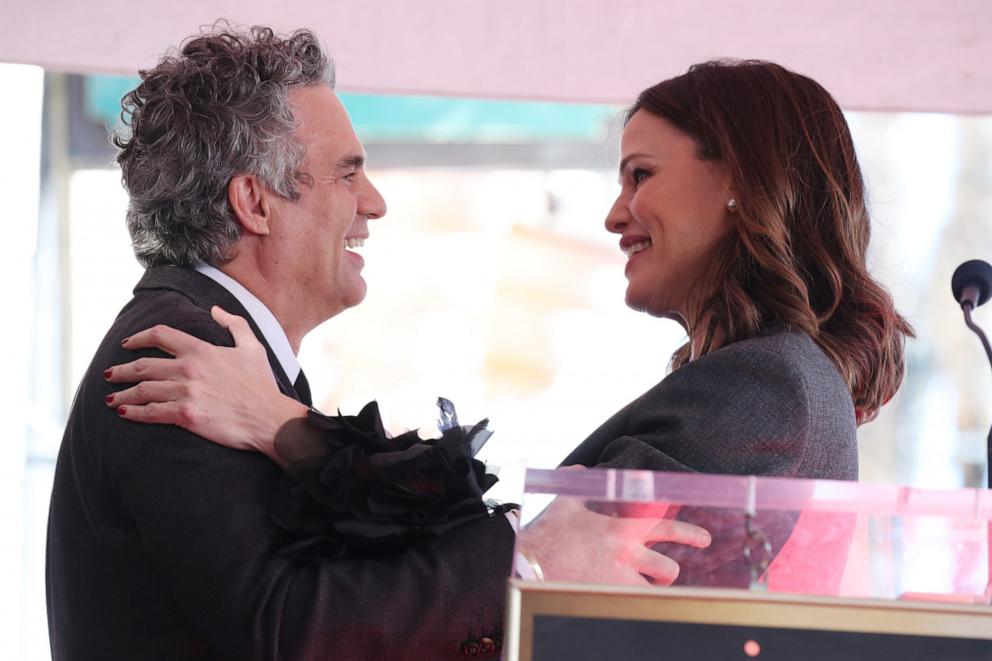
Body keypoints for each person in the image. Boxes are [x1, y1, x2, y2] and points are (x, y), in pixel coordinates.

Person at [106, 58, 913, 587]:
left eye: (641, 175)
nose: (614, 213)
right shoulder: (768, 382)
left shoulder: (768, 383)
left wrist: (282, 424)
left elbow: (542, 577)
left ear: (740, 181)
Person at [46, 25, 710, 661]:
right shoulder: (185, 351)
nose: (374, 202)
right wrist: (527, 557)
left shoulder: (224, 348)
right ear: (255, 202)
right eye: (346, 173)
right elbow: (295, 630)